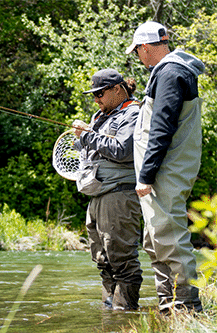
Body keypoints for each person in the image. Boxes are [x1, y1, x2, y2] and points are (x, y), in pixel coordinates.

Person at [126, 21, 205, 312]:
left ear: (145, 48)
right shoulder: (172, 71)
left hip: (164, 174)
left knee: (170, 238)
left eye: (137, 52)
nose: (138, 57)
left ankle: (186, 308)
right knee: (155, 239)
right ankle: (167, 307)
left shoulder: (170, 73)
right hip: (165, 173)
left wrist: (145, 176)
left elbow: (162, 128)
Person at [72, 68, 143, 310]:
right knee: (103, 260)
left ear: (117, 89)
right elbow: (88, 149)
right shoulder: (100, 115)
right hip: (98, 195)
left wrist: (87, 136)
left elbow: (122, 150)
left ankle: (125, 315)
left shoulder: (133, 113)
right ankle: (109, 313)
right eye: (93, 95)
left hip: (121, 194)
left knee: (122, 260)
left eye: (100, 93)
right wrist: (81, 137)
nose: (96, 99)